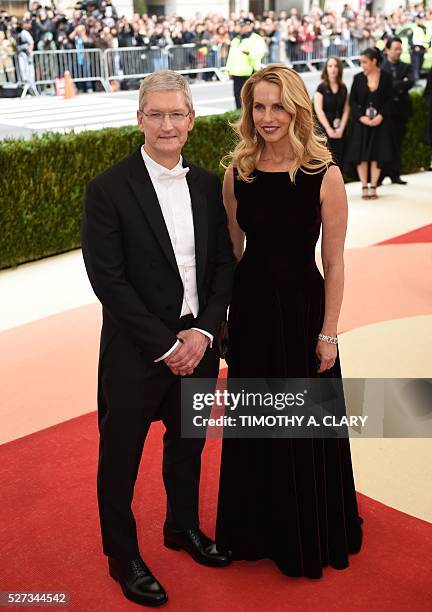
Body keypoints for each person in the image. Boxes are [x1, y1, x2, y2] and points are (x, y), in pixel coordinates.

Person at [81, 70, 235, 607]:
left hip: (200, 342)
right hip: (136, 350)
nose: (167, 124)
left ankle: (182, 527)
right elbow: (108, 282)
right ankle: (122, 557)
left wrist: (204, 332)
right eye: (157, 114)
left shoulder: (207, 186)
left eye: (177, 114)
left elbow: (221, 266)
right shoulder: (107, 189)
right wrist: (167, 345)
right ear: (139, 118)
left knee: (188, 447)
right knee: (119, 459)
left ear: (191, 122)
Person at [215, 64, 363, 579]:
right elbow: (232, 254)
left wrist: (329, 332)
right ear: (248, 111)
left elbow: (336, 262)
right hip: (253, 313)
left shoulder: (325, 174)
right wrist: (224, 320)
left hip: (302, 313)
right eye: (259, 106)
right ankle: (255, 529)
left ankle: (308, 532)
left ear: (297, 109)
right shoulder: (239, 173)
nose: (268, 117)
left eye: (278, 106)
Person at [344, 47, 394, 200]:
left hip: (379, 123)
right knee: (362, 156)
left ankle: (374, 186)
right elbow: (352, 101)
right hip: (362, 124)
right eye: (361, 62)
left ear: (374, 61)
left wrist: (381, 116)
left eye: (365, 62)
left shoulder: (386, 77)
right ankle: (364, 186)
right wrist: (361, 117)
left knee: (376, 155)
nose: (362, 65)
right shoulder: (358, 78)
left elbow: (390, 100)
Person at [379, 36, 414, 185]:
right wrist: (400, 83)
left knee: (398, 142)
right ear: (387, 50)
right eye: (395, 49)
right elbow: (382, 87)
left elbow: (411, 82)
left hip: (401, 112)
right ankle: (381, 175)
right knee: (384, 143)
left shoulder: (406, 66)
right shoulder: (381, 68)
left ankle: (395, 173)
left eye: (400, 49)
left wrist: (393, 85)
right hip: (386, 113)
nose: (398, 52)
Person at [313, 56, 349, 165]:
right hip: (324, 130)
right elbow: (318, 109)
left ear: (340, 69)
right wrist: (328, 129)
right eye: (330, 66)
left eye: (336, 66)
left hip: (339, 130)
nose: (333, 69)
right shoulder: (321, 88)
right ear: (326, 69)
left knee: (339, 159)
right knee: (326, 160)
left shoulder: (343, 88)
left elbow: (346, 109)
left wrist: (341, 129)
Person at [225, 17, 266, 109]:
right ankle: (239, 116)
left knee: (249, 97)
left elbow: (260, 53)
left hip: (250, 72)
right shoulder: (236, 39)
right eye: (240, 26)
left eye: (243, 26)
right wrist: (228, 69)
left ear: (249, 26)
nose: (241, 28)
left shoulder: (256, 38)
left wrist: (249, 53)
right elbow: (231, 55)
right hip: (236, 72)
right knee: (237, 96)